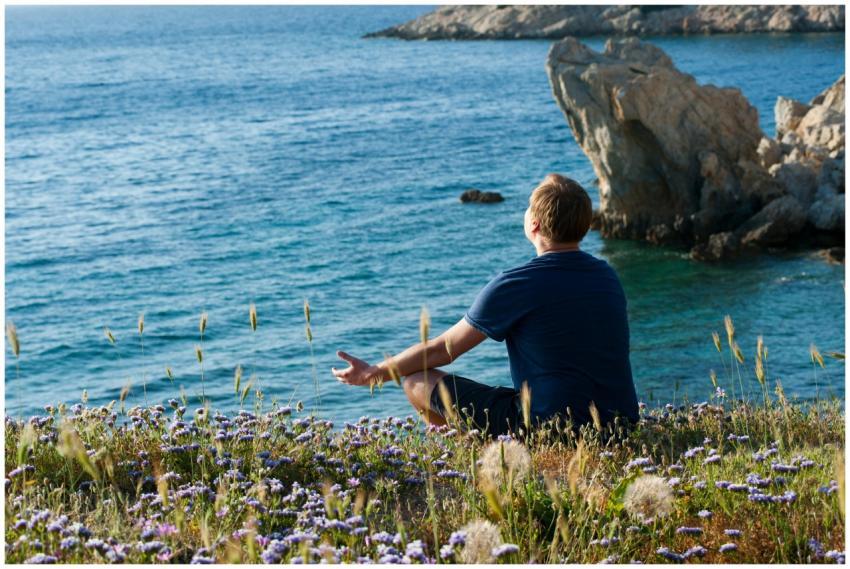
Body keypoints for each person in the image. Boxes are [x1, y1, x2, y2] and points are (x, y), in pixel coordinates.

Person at [332, 173, 639, 437]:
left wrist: (373, 373)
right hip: (620, 425)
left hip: (550, 428)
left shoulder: (517, 284)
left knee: (416, 381)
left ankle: (465, 456)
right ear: (585, 224)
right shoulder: (607, 276)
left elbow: (443, 350)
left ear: (534, 224)